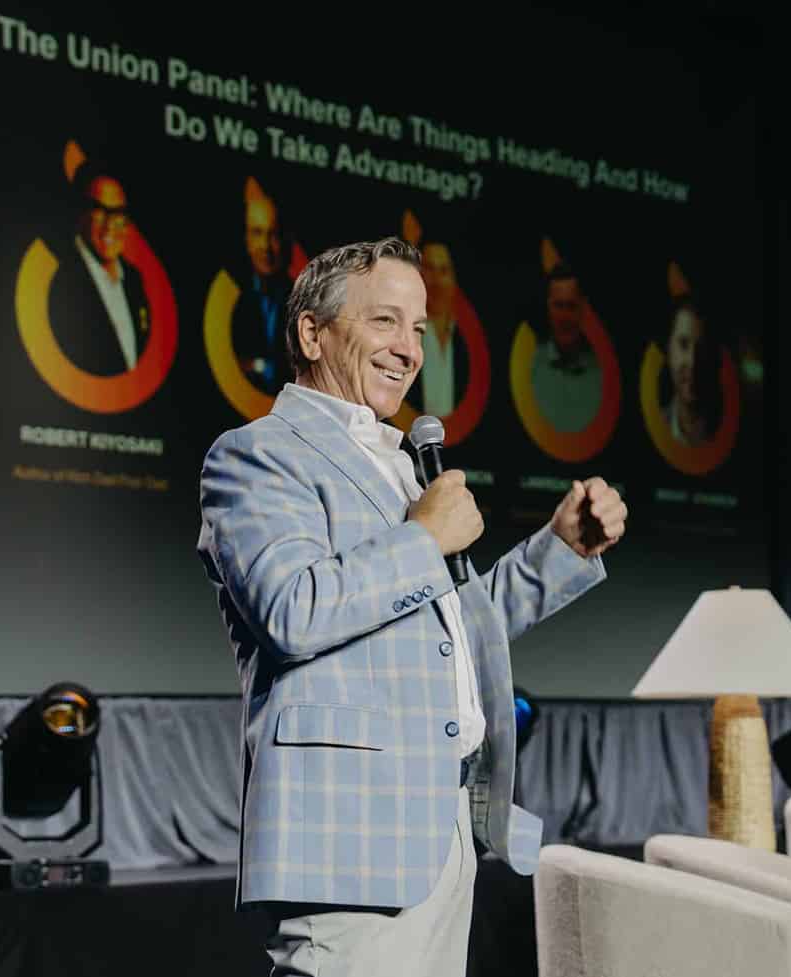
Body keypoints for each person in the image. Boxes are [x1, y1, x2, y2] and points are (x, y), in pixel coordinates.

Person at [197, 237, 627, 977]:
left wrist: (561, 548)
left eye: (419, 329)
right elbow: (294, 608)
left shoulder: (399, 465)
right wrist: (423, 537)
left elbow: (455, 628)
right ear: (311, 332)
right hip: (347, 842)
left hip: (438, 833)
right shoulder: (256, 454)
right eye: (385, 322)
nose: (408, 349)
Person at [48, 171, 150, 376]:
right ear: (81, 214)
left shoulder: (133, 280)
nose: (110, 225)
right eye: (100, 210)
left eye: (119, 212)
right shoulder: (58, 278)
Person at [230, 190, 293, 394]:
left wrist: (256, 365)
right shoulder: (231, 301)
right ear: (246, 240)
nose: (266, 246)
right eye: (257, 233)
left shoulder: (302, 300)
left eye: (273, 234)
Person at [529, 263, 602, 431]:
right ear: (548, 306)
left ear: (584, 308)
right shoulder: (529, 368)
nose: (564, 317)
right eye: (558, 305)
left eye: (571, 306)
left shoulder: (602, 372)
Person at [409, 240, 471, 417]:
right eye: (429, 269)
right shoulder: (402, 336)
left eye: (444, 271)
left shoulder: (465, 344)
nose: (436, 281)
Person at [661, 299, 720, 445]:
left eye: (703, 348)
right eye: (683, 344)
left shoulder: (731, 435)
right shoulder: (655, 429)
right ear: (669, 350)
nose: (692, 362)